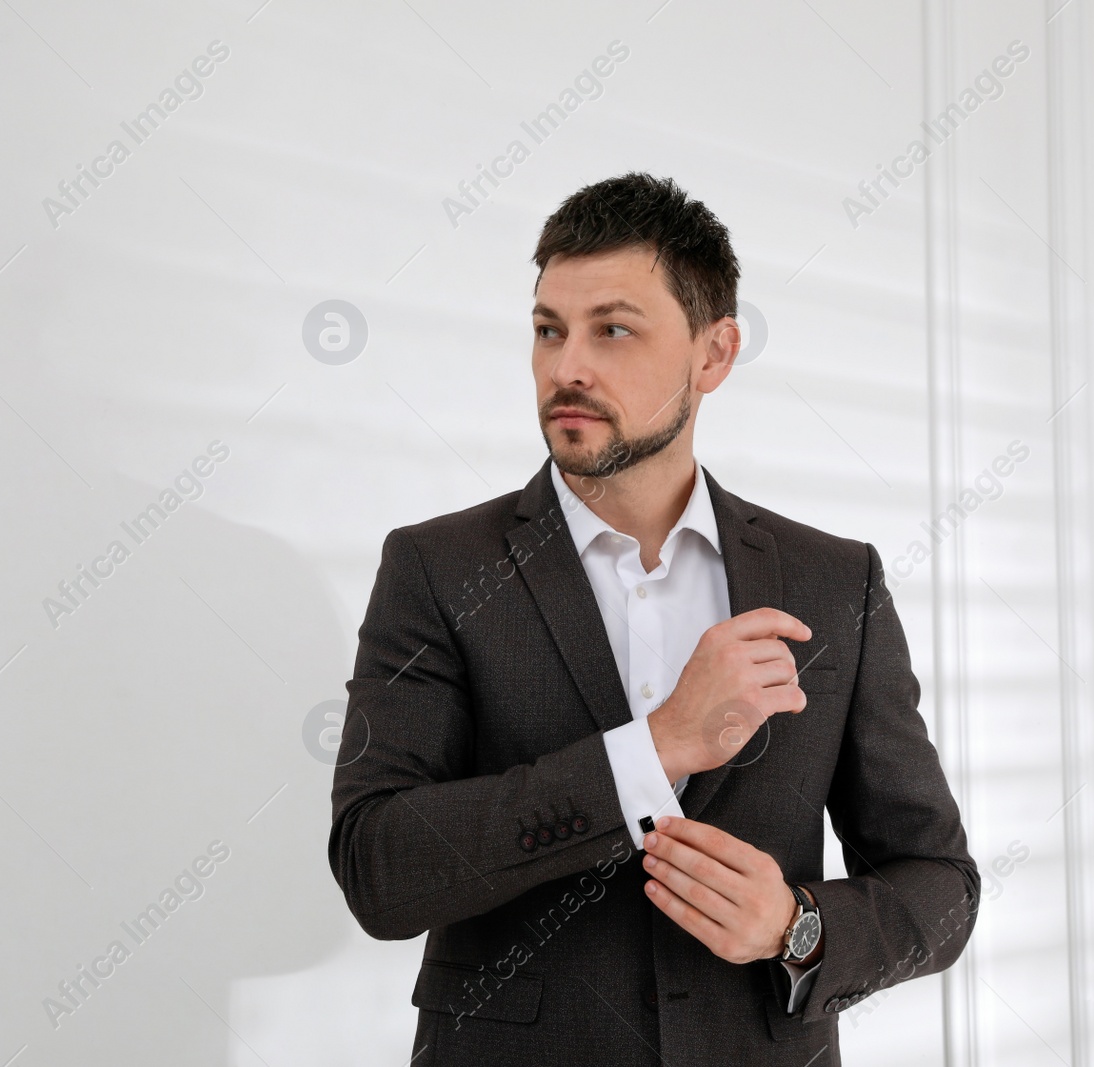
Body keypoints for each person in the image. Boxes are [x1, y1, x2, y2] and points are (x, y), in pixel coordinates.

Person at [328, 172, 978, 1066]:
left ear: (714, 355)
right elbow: (378, 869)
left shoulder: (834, 583)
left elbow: (940, 884)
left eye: (614, 329)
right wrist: (657, 748)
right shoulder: (439, 568)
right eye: (548, 329)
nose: (567, 368)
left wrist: (797, 927)